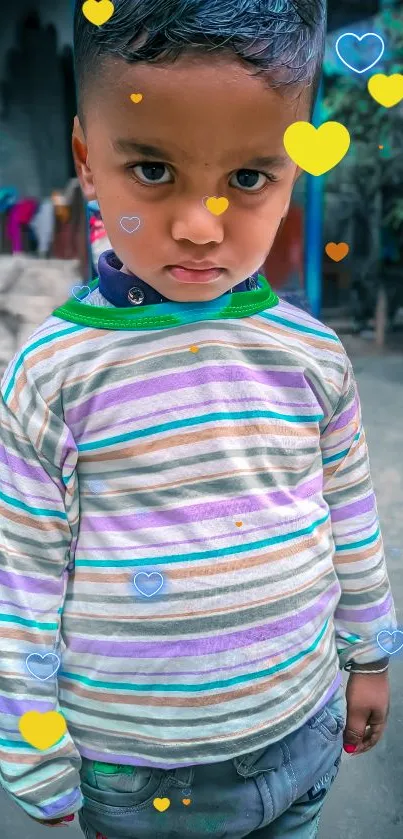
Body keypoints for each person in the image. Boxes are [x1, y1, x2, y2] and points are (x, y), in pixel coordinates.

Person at [0, 1, 397, 837]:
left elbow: (351, 517)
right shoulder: (51, 376)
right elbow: (22, 576)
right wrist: (32, 744)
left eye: (247, 179)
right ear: (85, 156)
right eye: (151, 169)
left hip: (305, 726)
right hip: (142, 772)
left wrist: (369, 654)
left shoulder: (312, 355)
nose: (197, 227)